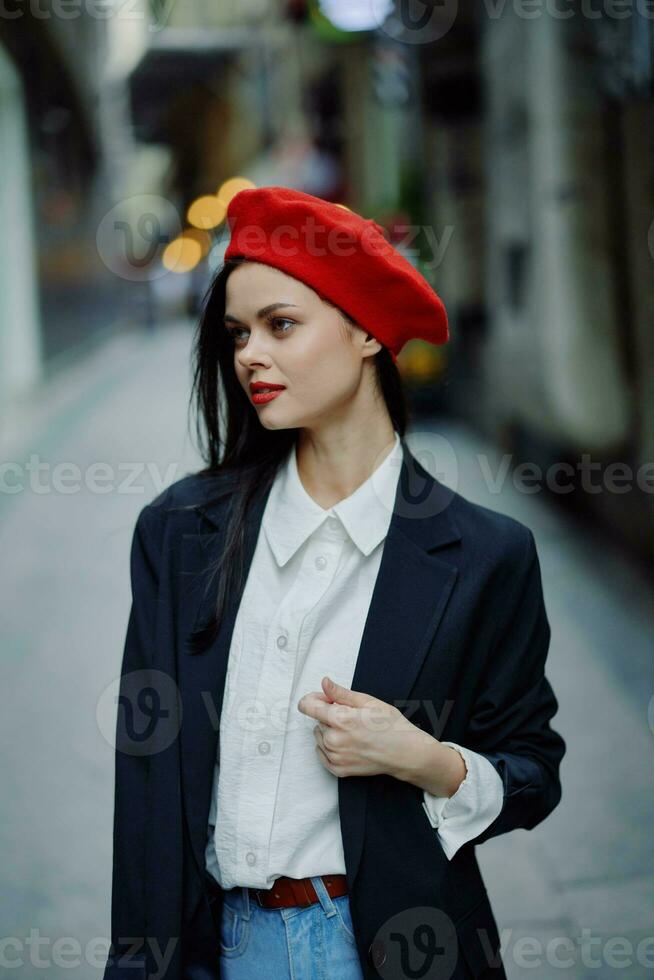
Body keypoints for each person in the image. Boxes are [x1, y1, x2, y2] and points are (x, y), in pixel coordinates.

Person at [103, 187, 566, 980]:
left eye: (281, 325)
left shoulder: (488, 555)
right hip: (216, 948)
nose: (250, 353)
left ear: (364, 332)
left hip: (390, 946)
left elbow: (532, 769)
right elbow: (145, 788)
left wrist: (427, 759)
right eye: (238, 333)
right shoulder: (179, 533)